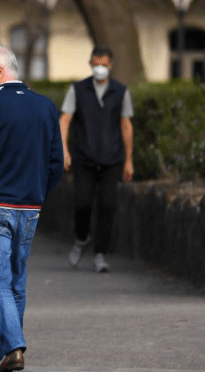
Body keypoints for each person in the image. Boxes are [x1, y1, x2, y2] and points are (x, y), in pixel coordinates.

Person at [0, 44, 64, 372]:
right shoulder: (46, 107)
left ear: (1, 71)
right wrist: (39, 193)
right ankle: (6, 356)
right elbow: (56, 162)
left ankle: (15, 345)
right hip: (29, 206)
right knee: (16, 282)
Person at [59, 45, 134, 273]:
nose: (100, 68)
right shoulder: (78, 90)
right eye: (96, 64)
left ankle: (100, 254)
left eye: (104, 64)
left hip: (111, 159)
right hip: (84, 158)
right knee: (82, 203)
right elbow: (65, 120)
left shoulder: (121, 91)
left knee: (108, 205)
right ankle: (81, 238)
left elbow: (126, 126)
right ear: (90, 63)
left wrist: (129, 160)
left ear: (110, 65)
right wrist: (64, 150)